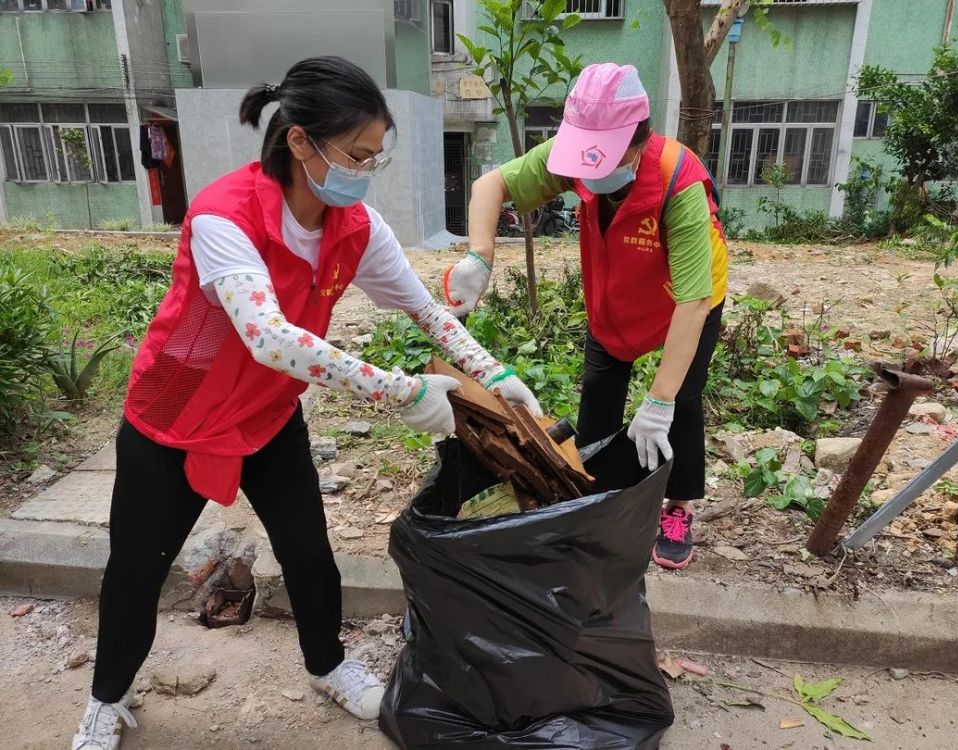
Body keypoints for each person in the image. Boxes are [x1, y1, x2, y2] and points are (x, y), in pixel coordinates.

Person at [72, 56, 540, 750]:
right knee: (137, 570)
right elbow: (268, 336)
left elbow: (422, 308)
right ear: (300, 141)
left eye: (374, 158)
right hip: (175, 419)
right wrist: (400, 391)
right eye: (356, 154)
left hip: (266, 414)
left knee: (309, 552)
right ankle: (106, 699)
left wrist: (493, 374)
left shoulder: (354, 225)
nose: (363, 171)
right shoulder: (223, 216)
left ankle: (330, 667)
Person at [444, 63, 728, 572]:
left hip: (689, 299)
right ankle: (591, 497)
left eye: (611, 154)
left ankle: (678, 506)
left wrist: (658, 400)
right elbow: (491, 186)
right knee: (599, 395)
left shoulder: (678, 182)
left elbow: (691, 300)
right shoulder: (573, 155)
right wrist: (479, 256)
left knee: (682, 402)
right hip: (617, 296)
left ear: (640, 141)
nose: (593, 170)